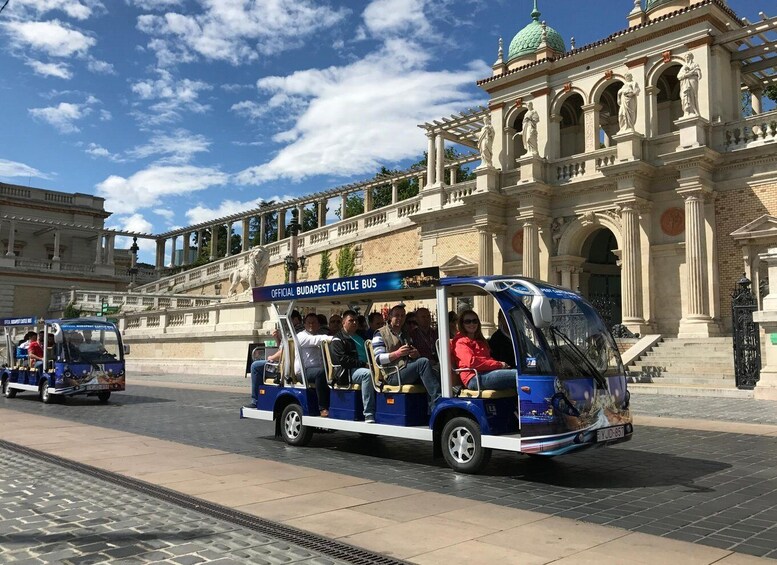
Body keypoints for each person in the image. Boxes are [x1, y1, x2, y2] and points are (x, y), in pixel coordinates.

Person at [372, 305, 441, 409]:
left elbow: (411, 354)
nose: (400, 318)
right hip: (392, 373)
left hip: (406, 368)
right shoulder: (380, 333)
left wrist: (415, 354)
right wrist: (397, 353)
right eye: (397, 315)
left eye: (402, 315)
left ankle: (431, 410)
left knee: (436, 371)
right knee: (423, 362)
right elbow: (378, 359)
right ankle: (438, 402)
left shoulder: (405, 334)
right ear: (390, 317)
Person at [330, 310, 376, 423]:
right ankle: (369, 413)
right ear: (343, 322)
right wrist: (363, 365)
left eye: (356, 320)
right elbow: (343, 360)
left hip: (367, 366)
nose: (354, 322)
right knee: (367, 375)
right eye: (351, 320)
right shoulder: (338, 339)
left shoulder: (361, 336)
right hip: (348, 371)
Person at [452, 310, 516, 391]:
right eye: (467, 321)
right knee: (519, 376)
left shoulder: (480, 341)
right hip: (474, 378)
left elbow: (487, 359)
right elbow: (472, 362)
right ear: (462, 324)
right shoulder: (460, 341)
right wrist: (499, 364)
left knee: (522, 374)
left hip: (486, 373)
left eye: (474, 321)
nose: (472, 324)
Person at [296, 313, 333, 417]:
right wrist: (334, 338)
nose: (311, 325)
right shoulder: (301, 336)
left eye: (314, 322)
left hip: (318, 370)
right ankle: (322, 407)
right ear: (305, 324)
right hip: (303, 372)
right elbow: (317, 340)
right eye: (309, 323)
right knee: (321, 373)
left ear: (318, 325)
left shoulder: (318, 335)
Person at [246, 329, 283, 409]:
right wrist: (277, 338)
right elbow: (282, 348)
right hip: (281, 362)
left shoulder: (294, 332)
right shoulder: (290, 332)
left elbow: (284, 351)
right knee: (259, 364)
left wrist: (272, 358)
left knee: (255, 366)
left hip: (281, 365)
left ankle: (255, 400)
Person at [678, 52, 702, 117]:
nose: (687, 58)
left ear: (691, 57)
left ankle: (694, 111)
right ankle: (687, 111)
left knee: (693, 95)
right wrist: (687, 74)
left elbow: (699, 74)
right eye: (686, 57)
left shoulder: (695, 65)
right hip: (685, 83)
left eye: (688, 57)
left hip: (692, 81)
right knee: (685, 96)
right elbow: (679, 76)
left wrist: (695, 73)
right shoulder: (683, 67)